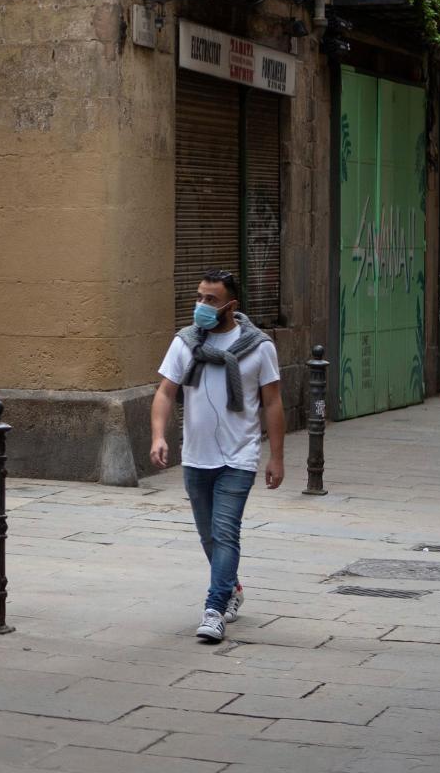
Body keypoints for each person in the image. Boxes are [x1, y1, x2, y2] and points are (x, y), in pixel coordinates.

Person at [149, 269, 285, 643]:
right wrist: (159, 436)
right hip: (196, 457)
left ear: (231, 305)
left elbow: (272, 403)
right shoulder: (186, 343)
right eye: (199, 297)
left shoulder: (259, 346)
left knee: (225, 533)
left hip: (239, 457)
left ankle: (214, 609)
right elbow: (165, 392)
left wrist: (277, 457)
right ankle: (232, 588)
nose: (202, 306)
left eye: (211, 300)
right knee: (209, 536)